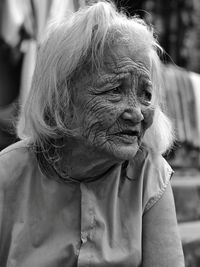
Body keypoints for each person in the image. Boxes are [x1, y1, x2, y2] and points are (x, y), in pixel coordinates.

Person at [0, 1, 185, 266]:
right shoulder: (7, 177)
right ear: (61, 99)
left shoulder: (148, 174)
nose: (137, 113)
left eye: (146, 95)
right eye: (114, 91)